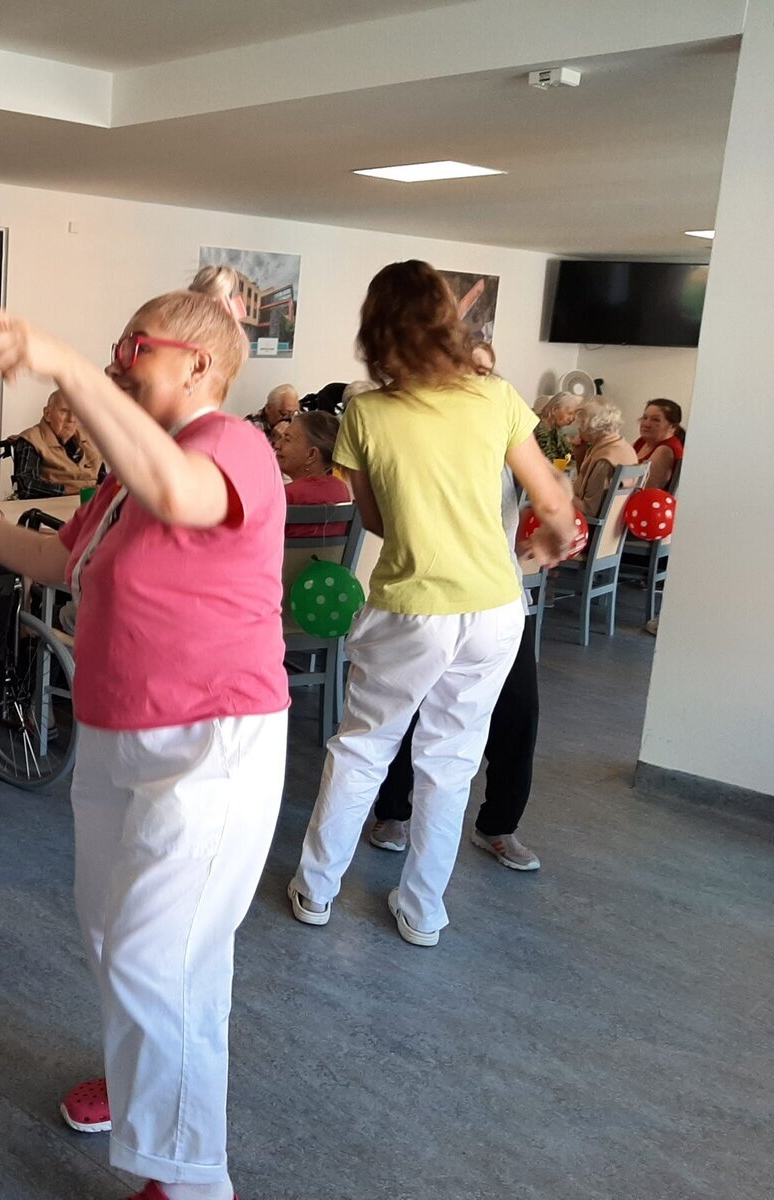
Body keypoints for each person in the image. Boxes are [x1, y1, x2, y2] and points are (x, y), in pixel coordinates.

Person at [0, 266, 287, 1200]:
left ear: (197, 364)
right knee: (115, 936)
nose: (118, 361)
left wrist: (65, 363)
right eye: (114, 348)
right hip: (118, 732)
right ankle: (138, 1084)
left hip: (210, 742)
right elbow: (54, 558)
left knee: (165, 956)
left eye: (134, 348)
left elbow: (185, 496)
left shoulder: (231, 444)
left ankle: (189, 1180)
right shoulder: (126, 475)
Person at [287, 260, 574, 948]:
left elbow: (376, 521)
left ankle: (316, 891)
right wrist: (543, 551)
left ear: (375, 330)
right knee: (451, 760)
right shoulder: (496, 397)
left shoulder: (365, 412)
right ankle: (422, 912)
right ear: (447, 324)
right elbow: (554, 504)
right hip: (496, 608)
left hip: (412, 605)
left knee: (364, 747)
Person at [367, 470, 544, 871]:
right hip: (431, 597)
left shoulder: (507, 436)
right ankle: (393, 811)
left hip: (502, 596)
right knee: (414, 706)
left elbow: (546, 487)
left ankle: (498, 825)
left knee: (519, 712)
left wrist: (554, 515)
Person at [10, 389, 104, 499]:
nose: (71, 419)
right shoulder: (32, 439)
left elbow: (103, 477)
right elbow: (26, 486)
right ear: (47, 414)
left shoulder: (90, 438)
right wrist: (77, 491)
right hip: (53, 505)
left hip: (95, 503)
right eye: (64, 411)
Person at [276, 411, 351, 537]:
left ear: (311, 455)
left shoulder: (286, 495)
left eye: (287, 440)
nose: (277, 445)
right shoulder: (341, 490)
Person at [570, 400, 638, 517]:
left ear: (591, 428)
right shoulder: (624, 447)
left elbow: (589, 511)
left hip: (589, 523)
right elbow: (585, 486)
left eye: (581, 426)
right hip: (617, 523)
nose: (579, 431)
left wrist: (562, 493)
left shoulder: (604, 460)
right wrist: (580, 455)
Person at [634, 398, 686, 491]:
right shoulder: (642, 441)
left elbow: (646, 489)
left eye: (655, 420)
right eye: (645, 418)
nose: (646, 424)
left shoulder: (666, 450)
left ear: (672, 426)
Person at [533, 390, 581, 462]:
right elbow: (549, 459)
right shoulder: (539, 428)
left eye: (574, 415)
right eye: (569, 413)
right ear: (554, 410)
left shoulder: (555, 427)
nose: (571, 419)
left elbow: (568, 453)